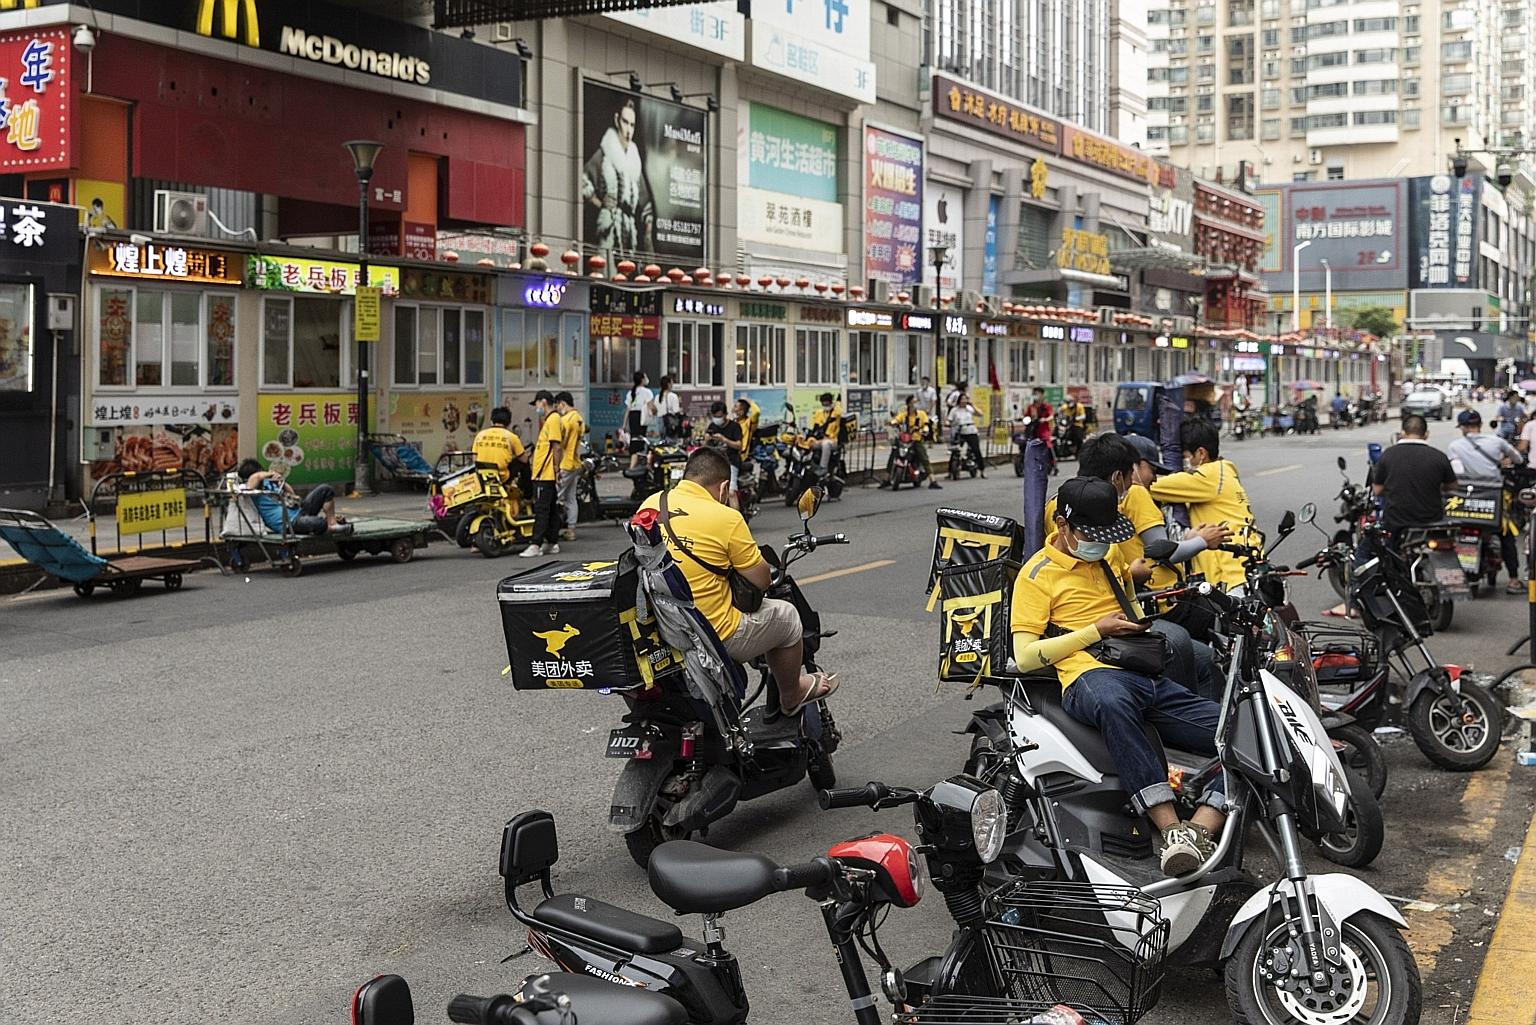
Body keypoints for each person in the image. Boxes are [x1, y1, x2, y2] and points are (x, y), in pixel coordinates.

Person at [1011, 476, 1227, 876]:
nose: (1101, 543)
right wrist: (1096, 631)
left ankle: (1200, 827)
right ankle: (1169, 828)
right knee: (1115, 702)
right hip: (1088, 676)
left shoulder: (1109, 555)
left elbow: (1131, 609)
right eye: (1091, 534)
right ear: (1062, 525)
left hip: (1143, 672)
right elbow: (1023, 657)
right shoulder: (1036, 576)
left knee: (1237, 729)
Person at [640, 447, 839, 712]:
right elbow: (762, 581)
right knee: (788, 617)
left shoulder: (649, 505)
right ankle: (791, 695)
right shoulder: (726, 518)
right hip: (714, 635)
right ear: (723, 488)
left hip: (664, 628)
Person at [1043, 433, 1231, 699]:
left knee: (1201, 657)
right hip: (1097, 620)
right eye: (1137, 474)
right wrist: (1135, 574)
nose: (1144, 481)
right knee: (1178, 643)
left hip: (1119, 607)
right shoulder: (1112, 506)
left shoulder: (1057, 504)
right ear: (1119, 477)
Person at [1324, 414, 1459, 616]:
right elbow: (1452, 486)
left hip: (1397, 521)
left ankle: (1353, 605)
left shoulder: (1389, 455)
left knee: (1363, 553)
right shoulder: (1438, 456)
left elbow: (1377, 490)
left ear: (1402, 433)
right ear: (1426, 434)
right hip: (1433, 522)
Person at [1148, 419, 1259, 594]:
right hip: (1247, 569)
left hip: (1232, 576)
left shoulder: (1208, 476)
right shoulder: (1224, 472)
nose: (1185, 463)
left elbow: (1150, 485)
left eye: (1185, 457)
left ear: (1201, 453)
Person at [1448, 409, 1524, 594]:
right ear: (1480, 425)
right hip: (1493, 500)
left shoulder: (1455, 446)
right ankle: (1513, 580)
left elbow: (1455, 471)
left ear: (1463, 428)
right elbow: (1518, 458)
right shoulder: (1497, 442)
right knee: (1506, 536)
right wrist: (1502, 462)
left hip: (1463, 503)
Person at [580, 96, 655, 256]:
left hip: (629, 231)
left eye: (632, 125)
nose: (628, 130)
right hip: (609, 228)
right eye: (625, 122)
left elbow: (645, 200)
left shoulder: (634, 161)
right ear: (617, 120)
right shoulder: (605, 153)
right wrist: (600, 204)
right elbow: (582, 182)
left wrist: (648, 227)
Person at [236, 459, 352, 536]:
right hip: (289, 523)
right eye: (261, 472)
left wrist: (282, 482)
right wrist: (268, 474)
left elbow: (293, 496)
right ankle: (328, 528)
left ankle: (332, 523)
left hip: (300, 511)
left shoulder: (268, 483)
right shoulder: (250, 490)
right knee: (319, 523)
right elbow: (254, 478)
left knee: (325, 489)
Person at [520, 390, 565, 558]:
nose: (536, 407)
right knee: (551, 509)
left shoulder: (553, 419)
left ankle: (535, 544)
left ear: (543, 402)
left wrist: (555, 468)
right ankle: (552, 542)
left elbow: (556, 446)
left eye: (537, 404)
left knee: (541, 509)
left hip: (544, 474)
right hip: (544, 474)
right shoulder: (550, 420)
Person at [883, 393, 941, 490]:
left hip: (916, 439)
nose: (915, 404)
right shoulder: (904, 414)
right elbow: (897, 419)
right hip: (904, 440)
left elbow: (926, 424)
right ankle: (887, 479)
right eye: (913, 402)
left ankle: (933, 480)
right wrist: (892, 423)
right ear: (909, 404)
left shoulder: (921, 414)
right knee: (893, 454)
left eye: (916, 402)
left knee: (924, 458)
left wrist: (925, 430)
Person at [703, 400, 745, 507]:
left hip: (731, 462)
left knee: (731, 492)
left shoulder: (734, 427)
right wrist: (707, 439)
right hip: (714, 464)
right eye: (715, 416)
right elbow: (704, 447)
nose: (717, 419)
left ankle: (737, 520)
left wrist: (724, 439)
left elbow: (739, 445)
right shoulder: (712, 426)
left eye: (719, 416)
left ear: (725, 414)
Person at [556, 392, 585, 542]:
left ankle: (550, 530)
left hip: (565, 464)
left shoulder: (566, 420)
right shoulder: (579, 418)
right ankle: (571, 529)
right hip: (575, 463)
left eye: (558, 405)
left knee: (555, 495)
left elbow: (561, 445)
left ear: (562, 403)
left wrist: (555, 465)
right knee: (571, 498)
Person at [471, 406, 526, 484]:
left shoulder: (480, 435)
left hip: (482, 477)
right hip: (502, 477)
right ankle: (527, 493)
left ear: (491, 421)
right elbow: (524, 459)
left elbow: (474, 459)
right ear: (509, 422)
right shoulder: (511, 437)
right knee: (522, 463)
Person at [946, 387, 985, 477]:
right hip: (960, 432)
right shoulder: (954, 410)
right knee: (955, 450)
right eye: (962, 399)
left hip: (971, 430)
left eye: (965, 399)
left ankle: (982, 469)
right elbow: (949, 420)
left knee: (976, 450)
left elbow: (980, 414)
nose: (964, 401)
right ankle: (950, 471)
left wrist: (972, 405)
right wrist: (948, 423)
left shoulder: (969, 408)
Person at [624, 372, 653, 471]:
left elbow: (628, 409)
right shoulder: (647, 392)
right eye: (645, 377)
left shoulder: (631, 392)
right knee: (641, 439)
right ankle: (637, 464)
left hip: (633, 417)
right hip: (641, 417)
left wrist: (624, 424)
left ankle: (635, 463)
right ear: (642, 379)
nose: (646, 379)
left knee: (634, 439)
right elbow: (650, 406)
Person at [1024, 386, 1056, 474]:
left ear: (1042, 395)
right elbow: (1026, 415)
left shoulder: (1046, 406)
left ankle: (1053, 462)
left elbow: (1051, 415)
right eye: (1034, 394)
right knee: (1024, 440)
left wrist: (1045, 419)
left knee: (1046, 443)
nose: (1036, 396)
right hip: (1032, 428)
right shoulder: (1031, 407)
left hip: (1043, 429)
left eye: (1037, 394)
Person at [809, 392, 843, 472]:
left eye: (827, 404)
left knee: (826, 444)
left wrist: (837, 402)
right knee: (807, 444)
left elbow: (839, 411)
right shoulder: (819, 413)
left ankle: (823, 468)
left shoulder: (835, 413)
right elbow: (815, 426)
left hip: (832, 441)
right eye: (824, 405)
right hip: (820, 439)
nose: (826, 406)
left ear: (831, 403)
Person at [655, 375, 683, 440]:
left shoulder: (657, 397)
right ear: (668, 384)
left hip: (659, 421)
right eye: (672, 383)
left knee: (661, 443)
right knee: (671, 444)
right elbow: (676, 411)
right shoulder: (673, 396)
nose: (673, 384)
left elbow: (656, 411)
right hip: (670, 422)